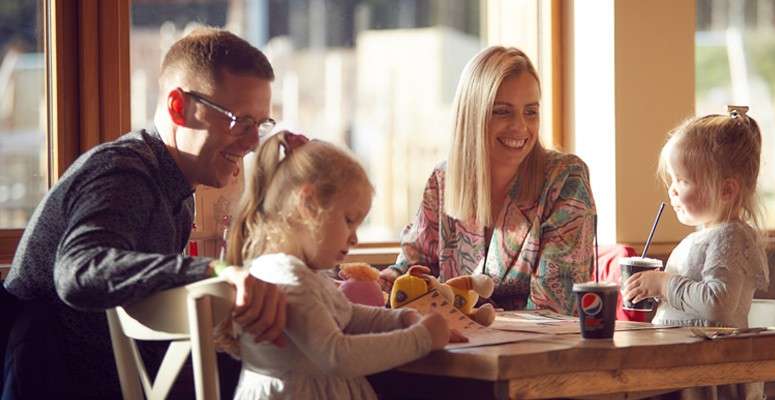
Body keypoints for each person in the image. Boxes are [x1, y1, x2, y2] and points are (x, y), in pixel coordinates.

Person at [2, 27, 287, 399]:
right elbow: (79, 272)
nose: (252, 143)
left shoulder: (176, 187)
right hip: (52, 381)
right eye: (239, 121)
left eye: (261, 125)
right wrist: (214, 271)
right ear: (178, 108)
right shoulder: (124, 172)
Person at [221, 133, 453, 400]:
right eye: (349, 220)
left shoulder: (302, 273)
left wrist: (404, 318)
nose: (354, 238)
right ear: (307, 204)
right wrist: (421, 338)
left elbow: (349, 315)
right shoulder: (285, 278)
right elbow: (337, 355)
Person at [379, 46, 596, 314]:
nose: (520, 127)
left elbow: (554, 309)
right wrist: (382, 284)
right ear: (472, 116)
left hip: (530, 353)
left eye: (531, 112)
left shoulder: (565, 179)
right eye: (502, 111)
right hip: (451, 347)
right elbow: (412, 271)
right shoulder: (442, 181)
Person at [623, 106, 769, 400]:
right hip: (683, 373)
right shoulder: (703, 237)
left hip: (711, 381)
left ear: (726, 190)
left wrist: (664, 284)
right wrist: (653, 291)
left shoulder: (731, 238)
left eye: (683, 180)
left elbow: (718, 305)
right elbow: (690, 301)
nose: (672, 190)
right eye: (672, 180)